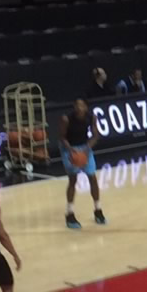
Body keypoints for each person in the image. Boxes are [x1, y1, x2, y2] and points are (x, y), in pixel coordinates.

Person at [61, 98, 105, 229]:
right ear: (74, 107)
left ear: (86, 107)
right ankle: (69, 213)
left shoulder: (92, 117)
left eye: (82, 105)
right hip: (69, 147)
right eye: (77, 105)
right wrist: (71, 151)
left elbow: (96, 135)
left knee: (92, 177)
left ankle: (98, 210)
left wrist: (86, 149)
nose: (79, 107)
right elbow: (62, 137)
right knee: (73, 180)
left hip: (84, 147)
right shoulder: (66, 119)